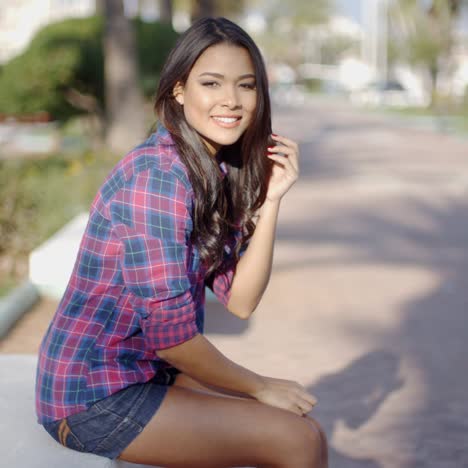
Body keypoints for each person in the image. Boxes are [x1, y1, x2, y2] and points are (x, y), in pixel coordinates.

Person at [35, 17, 328, 467]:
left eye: (246, 86)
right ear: (178, 90)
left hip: (148, 372)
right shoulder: (157, 179)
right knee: (296, 441)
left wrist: (271, 202)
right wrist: (259, 384)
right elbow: (172, 339)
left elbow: (242, 302)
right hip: (92, 396)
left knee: (300, 429)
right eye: (212, 83)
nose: (231, 100)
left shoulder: (212, 170)